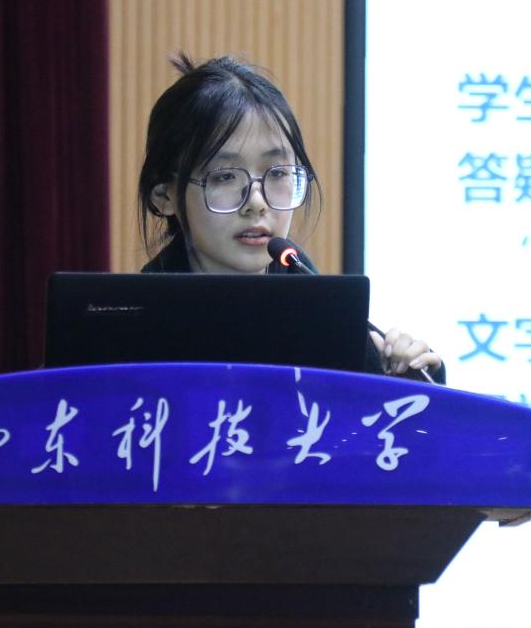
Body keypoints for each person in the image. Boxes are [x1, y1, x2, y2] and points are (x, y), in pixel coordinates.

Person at [136, 53, 444, 383]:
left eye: (278, 173)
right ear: (164, 195)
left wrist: (409, 381)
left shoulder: (331, 323)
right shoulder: (132, 328)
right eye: (225, 176)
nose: (256, 203)